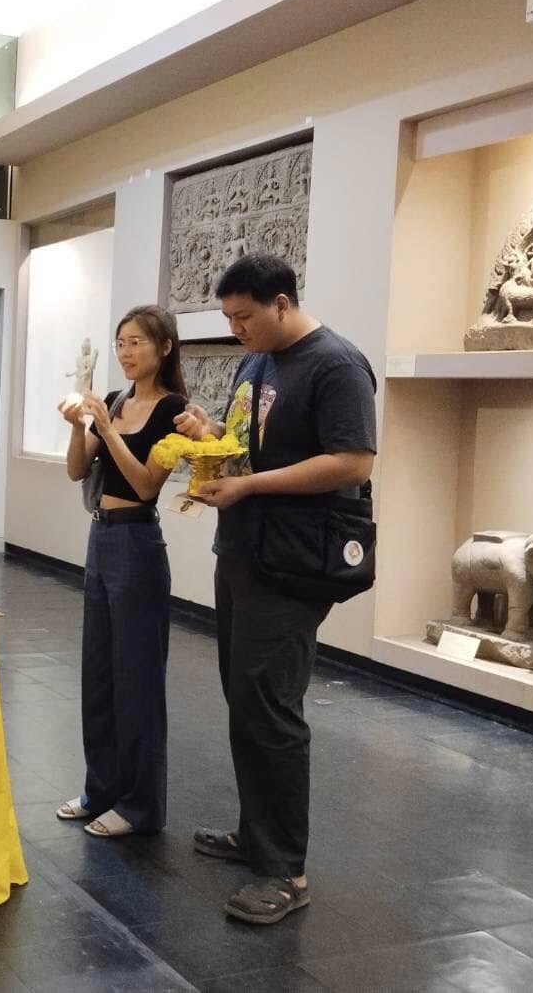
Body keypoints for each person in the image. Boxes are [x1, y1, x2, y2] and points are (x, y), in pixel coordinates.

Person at [174, 254, 376, 925]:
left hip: (294, 562)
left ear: (282, 303)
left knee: (271, 706)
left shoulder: (336, 365)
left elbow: (353, 461)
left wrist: (251, 486)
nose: (236, 330)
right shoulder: (256, 363)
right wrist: (209, 435)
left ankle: (286, 870)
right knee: (245, 700)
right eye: (229, 318)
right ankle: (256, 834)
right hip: (244, 552)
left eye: (244, 317)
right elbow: (246, 446)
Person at [55, 305, 188, 839]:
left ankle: (139, 806)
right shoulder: (114, 400)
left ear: (164, 348)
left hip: (137, 541)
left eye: (137, 342)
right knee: (99, 674)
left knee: (137, 678)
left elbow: (146, 484)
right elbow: (76, 470)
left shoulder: (173, 409)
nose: (126, 353)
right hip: (102, 536)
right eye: (121, 343)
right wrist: (79, 427)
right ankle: (101, 789)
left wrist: (108, 431)